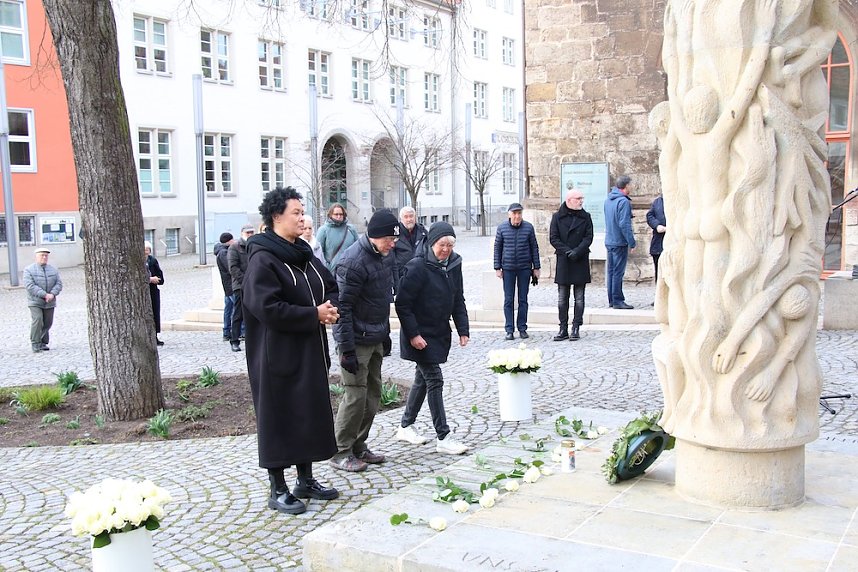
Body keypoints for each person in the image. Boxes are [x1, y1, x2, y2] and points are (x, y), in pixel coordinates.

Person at [242, 186, 340, 515]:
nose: (302, 218)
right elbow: (266, 307)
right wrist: (312, 314)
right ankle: (278, 487)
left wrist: (331, 307)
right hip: (276, 357)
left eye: (302, 212)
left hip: (309, 352)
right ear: (276, 217)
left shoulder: (303, 254)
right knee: (280, 417)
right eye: (296, 213)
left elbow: (328, 284)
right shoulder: (263, 259)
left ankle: (305, 480)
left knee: (307, 414)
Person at [330, 210, 399, 472]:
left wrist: (386, 335)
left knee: (372, 396)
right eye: (389, 239)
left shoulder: (383, 256)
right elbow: (342, 309)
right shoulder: (352, 262)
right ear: (375, 236)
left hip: (375, 337)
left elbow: (382, 301)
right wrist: (346, 349)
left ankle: (359, 445)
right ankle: (340, 451)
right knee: (355, 397)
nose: (393, 244)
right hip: (356, 342)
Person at [394, 222, 470, 454]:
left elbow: (458, 298)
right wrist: (413, 335)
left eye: (449, 245)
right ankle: (443, 436)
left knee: (421, 380)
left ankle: (405, 426)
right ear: (431, 244)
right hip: (419, 333)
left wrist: (463, 329)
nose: (445, 249)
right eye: (441, 245)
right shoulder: (416, 266)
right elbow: (402, 305)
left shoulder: (454, 264)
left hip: (438, 332)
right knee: (434, 379)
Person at [549, 188, 593, 341]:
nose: (581, 201)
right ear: (569, 200)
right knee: (562, 298)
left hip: (580, 260)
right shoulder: (557, 217)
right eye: (578, 198)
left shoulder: (586, 217)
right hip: (564, 260)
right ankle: (563, 328)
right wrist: (568, 251)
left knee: (579, 297)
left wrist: (577, 251)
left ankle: (576, 327)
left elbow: (588, 237)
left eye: (582, 198)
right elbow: (553, 238)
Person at [493, 202, 541, 340]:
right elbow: (497, 248)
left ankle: (522, 327)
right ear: (509, 214)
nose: (517, 216)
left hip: (524, 268)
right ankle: (509, 329)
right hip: (507, 268)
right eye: (514, 213)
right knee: (508, 300)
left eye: (519, 213)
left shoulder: (528, 228)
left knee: (523, 299)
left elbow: (534, 248)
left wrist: (536, 267)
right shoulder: (502, 228)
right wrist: (497, 267)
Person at [603, 175, 636, 309]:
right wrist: (631, 242)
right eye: (631, 185)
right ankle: (617, 300)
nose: (632, 187)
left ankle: (612, 299)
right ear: (626, 186)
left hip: (610, 239)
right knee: (617, 272)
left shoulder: (608, 200)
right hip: (619, 241)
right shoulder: (623, 202)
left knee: (611, 271)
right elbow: (624, 224)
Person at [23, 248, 63, 353]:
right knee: (38, 319)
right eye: (42, 255)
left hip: (50, 301)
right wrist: (44, 294)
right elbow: (30, 286)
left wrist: (52, 294)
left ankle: (43, 342)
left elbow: (58, 284)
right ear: (36, 257)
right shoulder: (29, 270)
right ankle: (35, 342)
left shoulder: (53, 270)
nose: (44, 257)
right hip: (35, 301)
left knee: (48, 322)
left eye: (46, 255)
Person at [228, 224, 255, 352]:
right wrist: (246, 281)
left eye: (252, 232)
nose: (250, 235)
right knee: (238, 314)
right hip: (240, 285)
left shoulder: (255, 246)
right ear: (242, 233)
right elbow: (233, 267)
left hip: (254, 285)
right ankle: (234, 340)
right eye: (248, 232)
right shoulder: (235, 247)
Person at [315, 202, 358, 273]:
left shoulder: (351, 229)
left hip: (350, 271)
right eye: (336, 214)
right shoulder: (323, 230)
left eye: (341, 214)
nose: (339, 216)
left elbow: (358, 249)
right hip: (332, 273)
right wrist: (327, 267)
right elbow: (318, 252)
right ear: (330, 215)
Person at [392, 205, 427, 287]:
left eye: (411, 216)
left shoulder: (422, 231)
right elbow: (390, 259)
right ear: (401, 219)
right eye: (406, 217)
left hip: (420, 275)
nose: (409, 219)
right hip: (402, 275)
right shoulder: (394, 234)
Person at [214, 232, 235, 341]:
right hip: (230, 285)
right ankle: (231, 332)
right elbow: (230, 268)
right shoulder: (223, 253)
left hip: (228, 286)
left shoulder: (222, 251)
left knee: (229, 309)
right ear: (229, 241)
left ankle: (227, 332)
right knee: (234, 309)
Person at [144, 241, 165, 346]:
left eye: (147, 249)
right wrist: (149, 279)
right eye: (144, 250)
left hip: (153, 291)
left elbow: (161, 278)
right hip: (143, 292)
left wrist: (156, 279)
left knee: (154, 313)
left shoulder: (153, 261)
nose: (146, 252)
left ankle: (154, 335)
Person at [646, 195, 666, 283]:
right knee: (659, 273)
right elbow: (650, 216)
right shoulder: (658, 202)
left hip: (673, 242)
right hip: (658, 243)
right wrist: (657, 225)